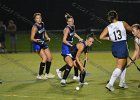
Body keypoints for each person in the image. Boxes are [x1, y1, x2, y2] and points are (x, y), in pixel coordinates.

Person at [99, 10, 132, 91]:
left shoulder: (108, 27)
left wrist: (110, 38)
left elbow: (101, 37)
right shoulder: (122, 23)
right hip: (122, 45)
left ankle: (122, 83)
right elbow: (131, 30)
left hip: (115, 46)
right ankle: (110, 84)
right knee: (120, 67)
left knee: (123, 64)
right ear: (116, 16)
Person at [56, 13, 83, 80]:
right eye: (70, 21)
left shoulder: (73, 26)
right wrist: (71, 46)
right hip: (66, 47)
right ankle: (63, 73)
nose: (71, 22)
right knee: (72, 62)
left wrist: (79, 38)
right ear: (67, 22)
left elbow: (74, 33)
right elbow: (64, 40)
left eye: (72, 21)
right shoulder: (67, 29)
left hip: (70, 46)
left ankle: (62, 71)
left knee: (75, 60)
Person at [31, 13, 55, 79]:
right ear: (35, 19)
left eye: (39, 18)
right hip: (37, 44)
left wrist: (47, 37)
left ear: (41, 18)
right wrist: (38, 41)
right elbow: (32, 38)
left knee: (50, 57)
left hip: (42, 42)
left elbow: (44, 31)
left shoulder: (42, 24)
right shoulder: (34, 27)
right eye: (37, 18)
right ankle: (40, 75)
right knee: (44, 58)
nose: (39, 19)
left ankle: (47, 73)